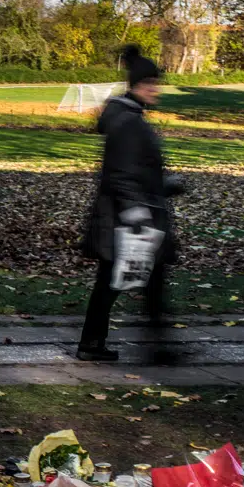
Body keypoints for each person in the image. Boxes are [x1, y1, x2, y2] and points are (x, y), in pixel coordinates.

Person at [77, 45, 183, 363]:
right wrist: (137, 212)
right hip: (130, 220)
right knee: (128, 282)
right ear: (139, 85)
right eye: (152, 83)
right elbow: (120, 175)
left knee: (120, 282)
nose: (157, 90)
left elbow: (133, 171)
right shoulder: (128, 122)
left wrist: (165, 185)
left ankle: (96, 344)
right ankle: (156, 348)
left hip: (128, 216)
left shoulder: (127, 117)